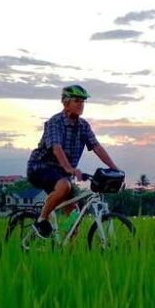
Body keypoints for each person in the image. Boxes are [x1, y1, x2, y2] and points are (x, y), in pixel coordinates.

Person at [26, 85, 122, 238]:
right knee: (64, 185)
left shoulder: (83, 126)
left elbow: (97, 147)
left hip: (63, 173)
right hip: (41, 167)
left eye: (83, 102)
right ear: (65, 103)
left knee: (74, 215)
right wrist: (69, 168)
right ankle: (41, 220)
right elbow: (56, 148)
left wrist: (115, 168)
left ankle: (66, 250)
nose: (81, 105)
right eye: (77, 101)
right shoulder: (55, 122)